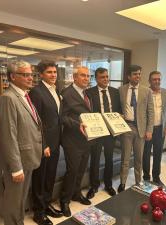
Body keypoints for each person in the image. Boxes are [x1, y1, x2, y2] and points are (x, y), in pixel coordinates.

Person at [0, 60, 44, 225]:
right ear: (13, 76)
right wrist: (16, 168)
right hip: (17, 162)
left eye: (31, 74)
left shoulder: (25, 96)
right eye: (26, 75)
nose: (31, 78)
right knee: (13, 202)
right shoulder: (8, 98)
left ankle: (19, 222)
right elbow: (8, 135)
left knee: (21, 201)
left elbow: (34, 126)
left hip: (29, 156)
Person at [29, 60, 63, 225]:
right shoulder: (36, 92)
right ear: (41, 74)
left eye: (55, 72)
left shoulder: (56, 90)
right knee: (40, 178)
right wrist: (44, 145)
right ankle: (38, 212)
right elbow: (37, 122)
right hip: (45, 145)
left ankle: (47, 204)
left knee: (50, 176)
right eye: (49, 72)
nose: (53, 75)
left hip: (56, 142)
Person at [60, 67, 93, 217]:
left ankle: (76, 193)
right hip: (72, 140)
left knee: (81, 169)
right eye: (83, 76)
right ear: (74, 77)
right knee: (72, 171)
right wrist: (77, 125)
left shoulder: (86, 93)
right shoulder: (66, 94)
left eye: (88, 76)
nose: (86, 78)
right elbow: (62, 117)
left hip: (86, 139)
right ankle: (64, 200)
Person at [86, 67, 121, 199]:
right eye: (102, 77)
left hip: (111, 131)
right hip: (97, 130)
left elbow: (118, 109)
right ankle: (93, 186)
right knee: (94, 159)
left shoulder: (114, 92)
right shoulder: (89, 92)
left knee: (109, 158)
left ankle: (108, 184)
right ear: (96, 79)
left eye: (107, 76)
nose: (106, 79)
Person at [117, 65, 154, 192]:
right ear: (129, 76)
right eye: (135, 74)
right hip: (126, 127)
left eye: (139, 74)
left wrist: (149, 130)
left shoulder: (146, 91)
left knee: (139, 158)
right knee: (125, 158)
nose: (138, 76)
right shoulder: (121, 90)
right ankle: (122, 183)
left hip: (141, 129)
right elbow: (118, 107)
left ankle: (139, 182)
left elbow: (151, 112)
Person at [142, 71, 166, 185]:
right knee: (145, 154)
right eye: (154, 79)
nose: (157, 81)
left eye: (159, 79)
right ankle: (146, 177)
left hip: (160, 128)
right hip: (147, 129)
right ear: (149, 81)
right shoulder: (145, 92)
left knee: (158, 154)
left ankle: (156, 177)